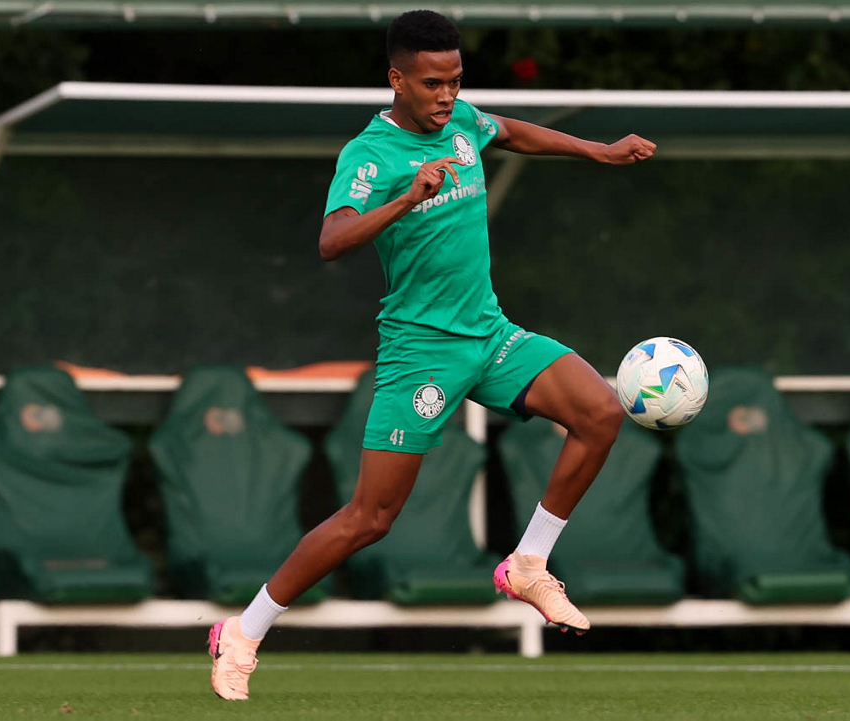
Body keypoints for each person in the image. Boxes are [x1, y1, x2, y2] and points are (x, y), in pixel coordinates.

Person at [209, 9, 656, 700]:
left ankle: (528, 564)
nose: (446, 95)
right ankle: (243, 631)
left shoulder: (463, 121)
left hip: (490, 334)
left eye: (455, 80)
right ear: (397, 80)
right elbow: (332, 240)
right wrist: (407, 198)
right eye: (431, 83)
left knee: (600, 411)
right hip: (420, 352)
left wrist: (598, 151)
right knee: (370, 518)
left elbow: (511, 132)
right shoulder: (370, 156)